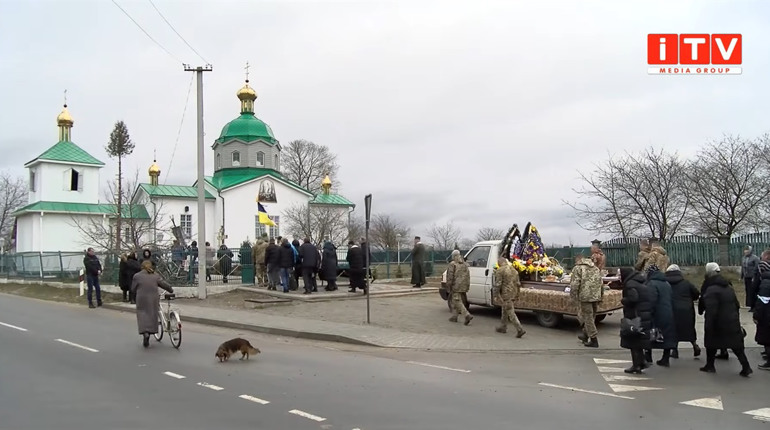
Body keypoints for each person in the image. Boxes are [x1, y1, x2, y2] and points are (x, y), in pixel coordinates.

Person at [699, 262, 752, 377]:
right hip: (731, 320)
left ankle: (710, 365)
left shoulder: (711, 289)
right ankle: (746, 367)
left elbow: (711, 310)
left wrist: (709, 325)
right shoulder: (728, 287)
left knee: (711, 343)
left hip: (718, 322)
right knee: (736, 346)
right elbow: (737, 304)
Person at [131, 260, 174, 348]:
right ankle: (151, 331)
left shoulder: (137, 276)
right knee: (152, 314)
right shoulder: (155, 275)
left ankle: (145, 333)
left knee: (142, 315)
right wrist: (170, 290)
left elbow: (133, 289)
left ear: (142, 266)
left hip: (141, 298)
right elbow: (163, 284)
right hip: (153, 298)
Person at [619, 267, 653, 374]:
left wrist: (623, 300)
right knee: (638, 341)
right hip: (643, 314)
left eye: (620, 275)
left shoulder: (630, 284)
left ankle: (636, 365)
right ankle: (641, 362)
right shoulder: (640, 281)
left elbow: (633, 298)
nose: (619, 277)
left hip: (635, 315)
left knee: (633, 341)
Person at [664, 264, 702, 358]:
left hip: (672, 309)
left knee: (674, 329)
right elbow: (696, 293)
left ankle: (675, 350)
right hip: (687, 309)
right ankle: (694, 345)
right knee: (689, 329)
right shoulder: (686, 283)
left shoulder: (665, 283)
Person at [644, 264, 678, 367]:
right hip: (668, 312)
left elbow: (651, 300)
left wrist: (649, 312)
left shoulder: (651, 284)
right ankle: (665, 358)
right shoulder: (666, 283)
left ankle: (648, 357)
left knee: (650, 335)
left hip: (657, 314)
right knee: (667, 336)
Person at [570, 255, 604, 348]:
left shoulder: (578, 268)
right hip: (595, 296)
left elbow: (575, 284)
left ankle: (594, 339)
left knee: (588, 317)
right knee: (592, 316)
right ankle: (585, 335)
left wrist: (573, 297)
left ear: (578, 260)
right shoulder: (596, 268)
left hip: (585, 296)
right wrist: (601, 295)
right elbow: (601, 283)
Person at [698, 265, 730, 360]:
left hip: (712, 312)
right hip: (726, 312)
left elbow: (703, 297)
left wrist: (701, 309)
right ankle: (724, 350)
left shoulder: (707, 283)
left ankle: (710, 362)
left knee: (712, 334)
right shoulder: (726, 282)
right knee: (723, 332)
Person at [493, 257, 526, 338]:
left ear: (500, 263)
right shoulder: (514, 270)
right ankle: (503, 326)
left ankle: (519, 329)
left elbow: (498, 285)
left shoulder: (500, 270)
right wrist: (517, 294)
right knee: (505, 308)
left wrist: (495, 295)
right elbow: (518, 283)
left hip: (506, 293)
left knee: (510, 311)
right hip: (513, 292)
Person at [446, 250, 472, 325]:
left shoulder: (453, 264)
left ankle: (467, 315)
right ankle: (455, 316)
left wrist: (449, 285)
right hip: (464, 285)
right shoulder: (464, 264)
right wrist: (467, 285)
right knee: (456, 300)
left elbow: (450, 276)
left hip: (456, 285)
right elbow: (468, 275)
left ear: (454, 256)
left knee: (457, 300)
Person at [753, 257, 770, 370]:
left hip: (767, 316)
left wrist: (756, 315)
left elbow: (761, 302)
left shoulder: (765, 284)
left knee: (767, 338)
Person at [741, 245, 760, 311]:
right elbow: (742, 267)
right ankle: (749, 305)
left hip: (753, 277)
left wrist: (754, 276)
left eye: (747, 250)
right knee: (748, 291)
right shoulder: (744, 258)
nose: (746, 251)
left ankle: (754, 306)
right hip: (746, 277)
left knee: (753, 291)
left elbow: (757, 267)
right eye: (745, 250)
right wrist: (742, 276)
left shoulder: (755, 258)